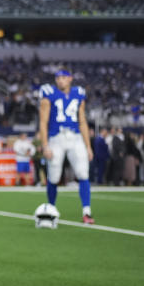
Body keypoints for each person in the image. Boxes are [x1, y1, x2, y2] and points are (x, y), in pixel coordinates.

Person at [38, 69, 95, 223]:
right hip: (56, 138)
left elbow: (82, 121)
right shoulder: (48, 93)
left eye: (63, 78)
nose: (60, 81)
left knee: (83, 173)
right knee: (54, 176)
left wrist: (88, 145)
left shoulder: (78, 93)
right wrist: (45, 145)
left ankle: (87, 211)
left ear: (70, 79)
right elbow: (43, 122)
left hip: (75, 137)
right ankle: (50, 209)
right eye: (57, 78)